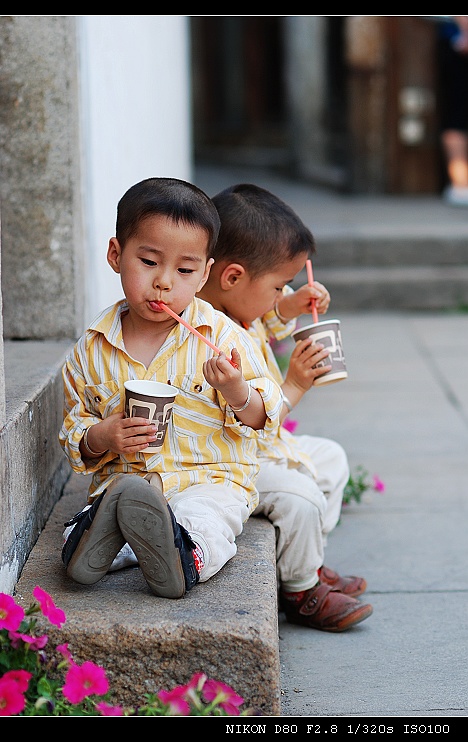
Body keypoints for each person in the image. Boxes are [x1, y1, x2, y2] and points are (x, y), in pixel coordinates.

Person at [59, 176, 283, 599]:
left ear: (204, 275)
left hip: (209, 480)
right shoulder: (91, 349)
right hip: (126, 484)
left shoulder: (222, 338)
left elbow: (265, 417)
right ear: (115, 254)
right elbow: (75, 428)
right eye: (148, 262)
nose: (164, 282)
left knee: (208, 522)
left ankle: (182, 558)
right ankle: (91, 544)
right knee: (107, 512)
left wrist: (236, 391)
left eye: (184, 270)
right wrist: (102, 435)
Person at [198, 182, 373, 632]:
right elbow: (249, 422)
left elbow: (256, 317)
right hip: (232, 459)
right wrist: (293, 384)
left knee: (331, 459)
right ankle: (300, 590)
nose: (281, 297)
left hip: (265, 447)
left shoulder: (235, 311)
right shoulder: (207, 338)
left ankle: (308, 561)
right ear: (233, 277)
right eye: (278, 287)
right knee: (301, 498)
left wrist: (288, 306)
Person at [437, 16, 468, 205]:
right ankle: (461, 185)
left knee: (457, 115)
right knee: (457, 116)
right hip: (458, 41)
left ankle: (461, 186)